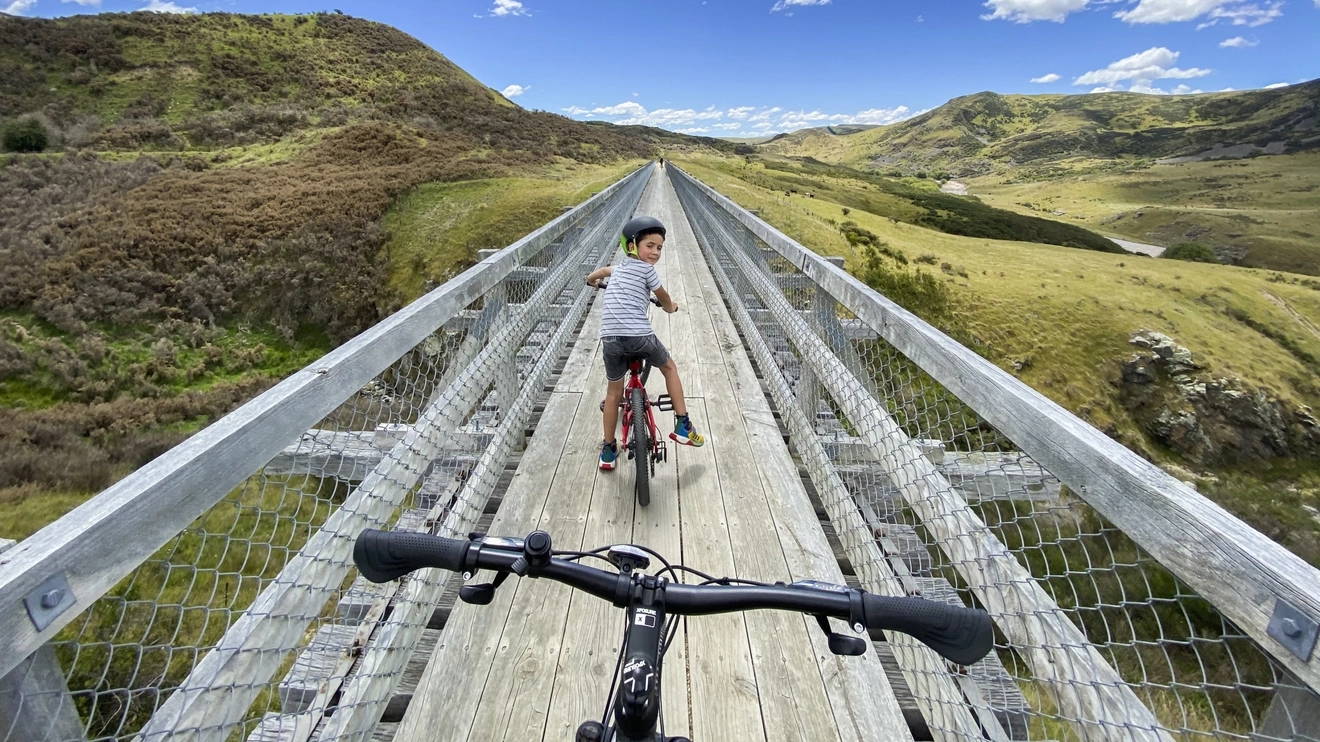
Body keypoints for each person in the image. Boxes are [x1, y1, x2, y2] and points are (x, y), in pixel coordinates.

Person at [585, 216, 704, 471]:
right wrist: (671, 308)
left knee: (613, 393)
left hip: (610, 339)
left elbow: (600, 272)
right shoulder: (647, 270)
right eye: (649, 245)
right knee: (669, 367)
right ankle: (683, 423)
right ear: (632, 246)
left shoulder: (617, 269)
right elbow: (663, 297)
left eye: (659, 248)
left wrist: (591, 281)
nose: (655, 252)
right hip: (640, 336)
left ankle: (607, 450)